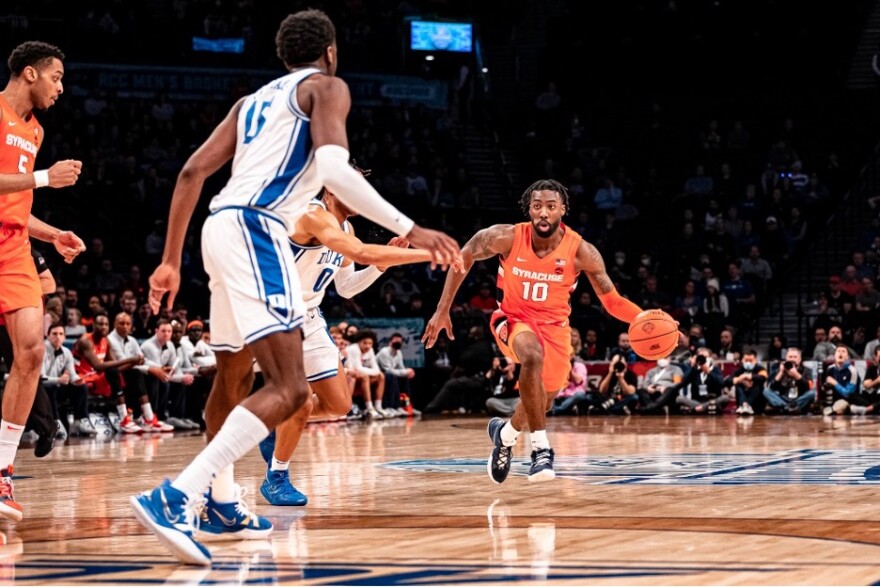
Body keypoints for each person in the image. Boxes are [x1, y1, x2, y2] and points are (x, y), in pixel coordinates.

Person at [132, 8, 459, 566]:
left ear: (283, 55)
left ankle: (223, 501)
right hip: (260, 227)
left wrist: (169, 261)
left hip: (216, 226)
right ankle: (177, 494)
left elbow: (190, 173)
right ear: (330, 52)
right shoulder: (327, 88)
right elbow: (334, 168)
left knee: (234, 374)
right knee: (291, 390)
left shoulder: (249, 102)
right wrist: (412, 230)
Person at [423, 179, 648, 484]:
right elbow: (465, 255)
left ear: (562, 210)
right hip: (512, 319)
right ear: (529, 209)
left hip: (555, 328)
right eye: (537, 206)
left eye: (551, 207)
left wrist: (643, 318)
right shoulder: (506, 237)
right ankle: (541, 451)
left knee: (543, 401)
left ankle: (505, 435)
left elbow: (612, 301)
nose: (543, 213)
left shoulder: (582, 252)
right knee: (531, 356)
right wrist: (442, 308)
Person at [258, 175, 436, 505]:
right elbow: (360, 252)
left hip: (309, 319)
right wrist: (428, 252)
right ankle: (277, 476)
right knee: (299, 399)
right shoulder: (312, 215)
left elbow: (346, 288)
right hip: (274, 317)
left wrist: (380, 267)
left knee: (339, 404)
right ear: (331, 187)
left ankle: (271, 424)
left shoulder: (348, 229)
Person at [0, 40, 85, 520]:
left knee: (31, 351)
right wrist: (46, 179)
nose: (61, 87)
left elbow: (17, 202)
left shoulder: (34, 132)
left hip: (12, 248)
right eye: (55, 77)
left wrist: (52, 235)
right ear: (29, 74)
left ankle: (1, 472)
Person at [763, 347, 814, 415]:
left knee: (812, 393)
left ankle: (783, 408)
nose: (792, 359)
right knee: (766, 391)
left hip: (798, 398)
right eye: (790, 357)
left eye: (795, 357)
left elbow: (808, 387)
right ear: (786, 358)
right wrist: (781, 372)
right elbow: (772, 387)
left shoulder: (807, 370)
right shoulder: (780, 369)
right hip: (783, 398)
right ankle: (788, 408)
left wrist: (796, 374)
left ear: (799, 359)